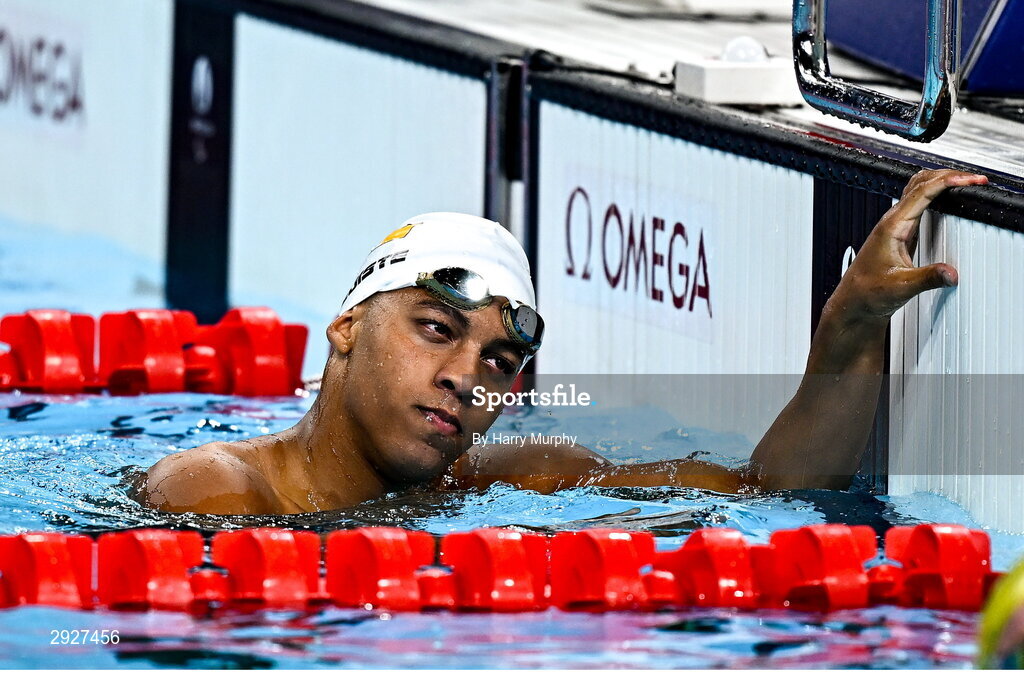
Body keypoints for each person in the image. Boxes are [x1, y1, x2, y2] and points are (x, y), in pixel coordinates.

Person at [137, 169, 988, 515]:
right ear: (348, 328)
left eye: (500, 364)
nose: (467, 380)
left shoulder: (510, 478)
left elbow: (764, 491)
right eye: (437, 330)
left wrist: (849, 330)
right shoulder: (217, 493)